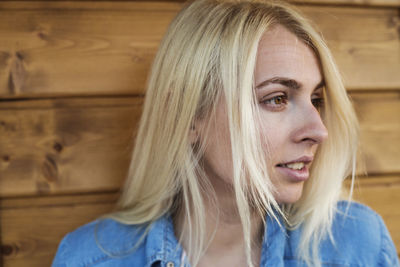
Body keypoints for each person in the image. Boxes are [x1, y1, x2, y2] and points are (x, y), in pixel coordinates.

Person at [51, 0, 399, 266]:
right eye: (277, 98)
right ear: (187, 116)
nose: (318, 130)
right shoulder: (91, 258)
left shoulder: (357, 244)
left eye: (317, 99)